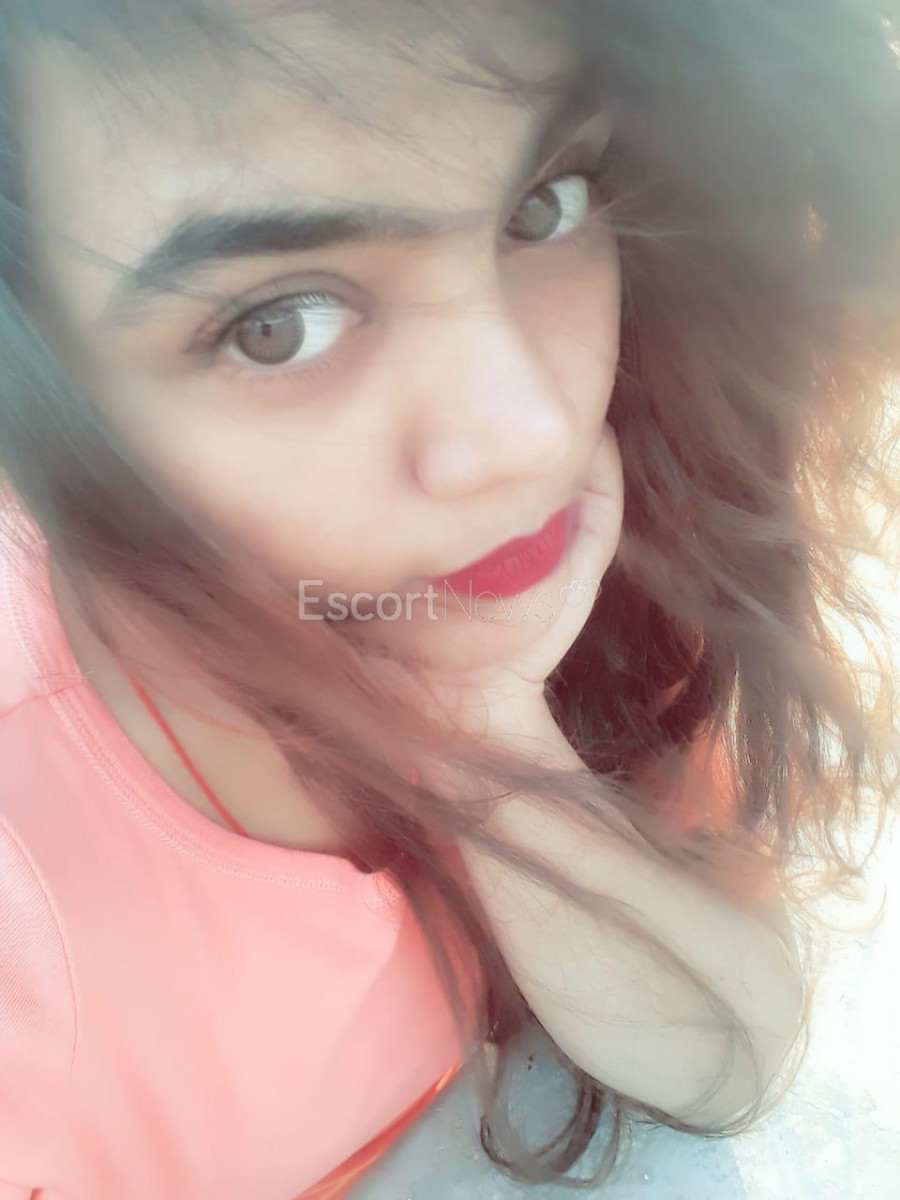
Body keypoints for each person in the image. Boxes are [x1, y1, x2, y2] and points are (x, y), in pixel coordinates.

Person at [0, 2, 897, 1196]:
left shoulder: (592, 568)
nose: (529, 434)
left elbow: (725, 1059)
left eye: (542, 207)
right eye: (276, 327)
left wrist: (488, 723)